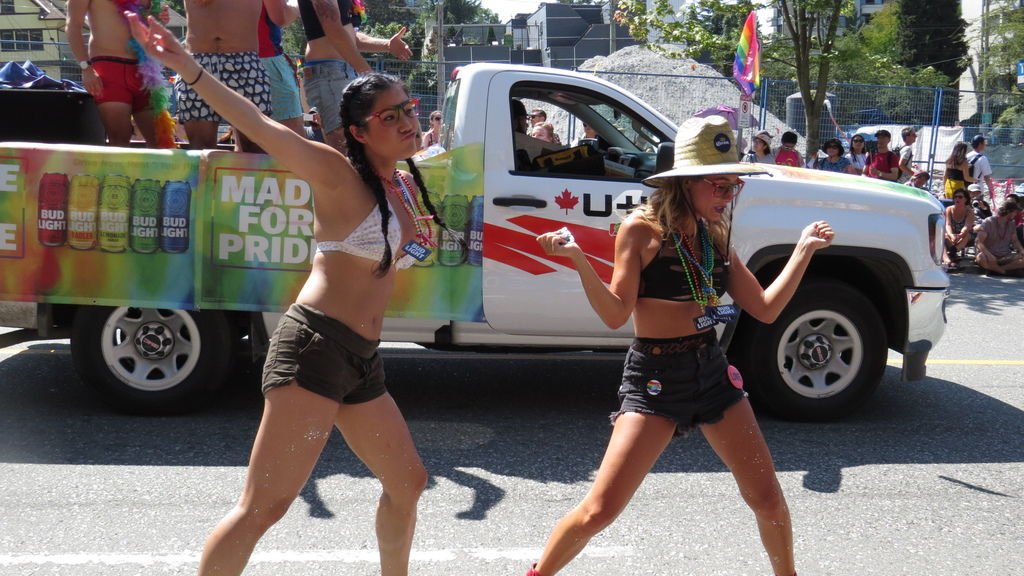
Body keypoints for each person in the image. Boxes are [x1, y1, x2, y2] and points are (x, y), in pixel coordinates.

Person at [126, 14, 436, 576]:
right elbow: (258, 122)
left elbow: (395, 255)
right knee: (263, 507)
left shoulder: (400, 183)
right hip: (314, 348)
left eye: (409, 109)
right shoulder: (335, 171)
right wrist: (186, 66)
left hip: (360, 359)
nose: (406, 121)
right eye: (389, 116)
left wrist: (415, 247)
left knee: (408, 481)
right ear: (360, 132)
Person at [530, 114, 835, 576]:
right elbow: (616, 314)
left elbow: (766, 308)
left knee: (768, 498)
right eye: (719, 185)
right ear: (687, 182)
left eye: (734, 186)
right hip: (655, 377)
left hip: (711, 370)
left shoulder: (713, 236)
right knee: (600, 511)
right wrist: (576, 258)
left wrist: (803, 250)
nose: (728, 196)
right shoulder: (642, 230)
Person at [298, 0, 412, 152]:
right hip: (328, 74)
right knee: (345, 150)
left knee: (358, 148)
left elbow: (350, 36)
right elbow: (332, 27)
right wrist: (368, 74)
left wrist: (386, 45)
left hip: (343, 72)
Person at [65, 0, 170, 146]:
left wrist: (159, 20)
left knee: (161, 141)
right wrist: (86, 67)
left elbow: (145, 25)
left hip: (144, 69)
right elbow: (72, 26)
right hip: (109, 68)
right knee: (120, 139)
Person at [175, 0, 271, 152]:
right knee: (201, 149)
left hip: (243, 60)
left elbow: (281, 16)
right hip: (199, 59)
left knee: (254, 148)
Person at [260, 0, 305, 136]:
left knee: (247, 141)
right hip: (267, 60)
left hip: (237, 58)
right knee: (294, 139)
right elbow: (281, 17)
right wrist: (298, 4)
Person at [975, 198, 1024, 276]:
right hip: (989, 256)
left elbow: (1015, 241)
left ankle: (995, 270)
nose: (1016, 214)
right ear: (1009, 212)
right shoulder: (989, 222)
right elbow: (978, 242)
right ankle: (1003, 271)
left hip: (1005, 256)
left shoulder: (1012, 224)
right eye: (1015, 212)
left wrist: (1021, 250)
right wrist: (989, 255)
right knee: (980, 257)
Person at [512, 98, 559, 164]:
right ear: (516, 121)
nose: (527, 124)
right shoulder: (518, 144)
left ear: (551, 138)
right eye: (525, 119)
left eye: (540, 135)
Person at [942, 190, 975, 271]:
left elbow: (967, 226)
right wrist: (951, 235)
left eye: (960, 197)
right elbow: (948, 224)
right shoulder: (949, 209)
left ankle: (953, 251)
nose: (957, 199)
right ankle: (952, 255)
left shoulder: (969, 211)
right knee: (945, 236)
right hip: (952, 235)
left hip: (965, 235)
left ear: (966, 199)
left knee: (966, 236)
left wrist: (960, 234)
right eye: (955, 197)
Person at [967, 134, 996, 204]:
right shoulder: (982, 159)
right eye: (984, 143)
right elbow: (986, 177)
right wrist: (991, 190)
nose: (985, 145)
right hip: (977, 188)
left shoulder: (967, 156)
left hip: (966, 186)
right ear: (980, 144)